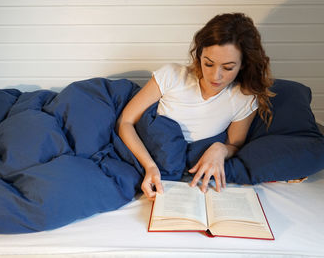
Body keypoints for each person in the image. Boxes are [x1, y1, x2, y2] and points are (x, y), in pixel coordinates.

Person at [116, 12, 275, 199]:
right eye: (209, 64)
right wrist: (150, 166)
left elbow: (235, 144)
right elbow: (125, 122)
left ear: (243, 64)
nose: (216, 76)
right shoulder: (172, 76)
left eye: (228, 67)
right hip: (146, 156)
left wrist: (220, 148)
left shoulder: (244, 98)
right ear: (199, 55)